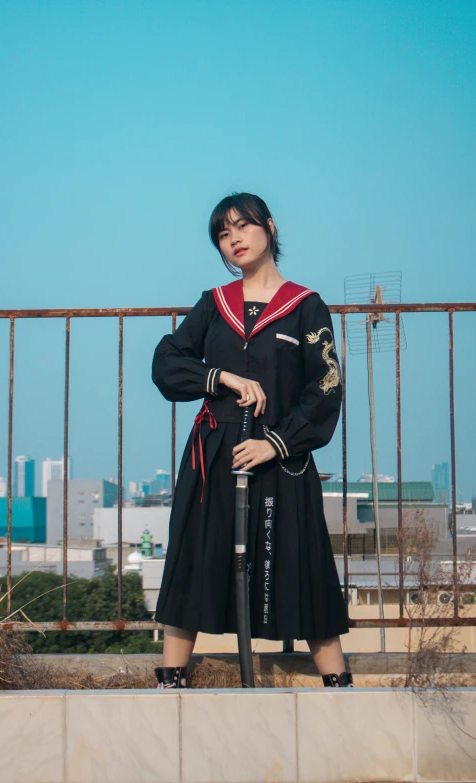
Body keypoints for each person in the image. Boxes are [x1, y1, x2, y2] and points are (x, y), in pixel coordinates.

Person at [151, 192, 353, 689]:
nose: (235, 238)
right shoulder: (212, 305)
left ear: (270, 227)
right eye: (223, 232)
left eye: (243, 225)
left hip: (281, 460)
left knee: (301, 563)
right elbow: (167, 365)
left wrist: (276, 444)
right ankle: (169, 680)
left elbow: (326, 388)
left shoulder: (305, 307)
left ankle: (340, 689)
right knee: (194, 557)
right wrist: (219, 378)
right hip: (212, 458)